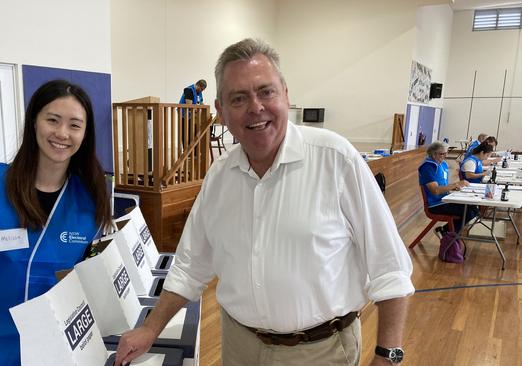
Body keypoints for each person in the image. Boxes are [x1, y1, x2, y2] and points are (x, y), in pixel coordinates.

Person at [116, 38, 414, 366]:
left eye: (266, 91)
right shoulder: (219, 176)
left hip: (320, 352)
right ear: (221, 112)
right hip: (239, 345)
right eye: (239, 98)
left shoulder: (336, 160)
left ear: (286, 94)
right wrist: (151, 328)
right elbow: (191, 265)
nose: (255, 107)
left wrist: (388, 357)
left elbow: (390, 268)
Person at [0, 79, 112, 365]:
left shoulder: (90, 199)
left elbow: (87, 282)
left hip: (57, 346)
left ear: (85, 133)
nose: (62, 133)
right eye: (53, 120)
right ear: (34, 121)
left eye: (74, 124)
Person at [419, 141, 478, 236]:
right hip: (436, 205)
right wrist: (455, 184)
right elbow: (435, 190)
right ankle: (448, 234)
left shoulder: (443, 164)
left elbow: (444, 185)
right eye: (442, 154)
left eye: (446, 153)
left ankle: (446, 231)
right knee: (469, 212)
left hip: (445, 199)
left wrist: (455, 187)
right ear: (433, 154)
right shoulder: (428, 167)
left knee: (473, 208)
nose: (445, 156)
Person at [179, 79, 207, 150]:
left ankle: (194, 151)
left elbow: (200, 103)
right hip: (184, 115)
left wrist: (205, 108)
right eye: (201, 89)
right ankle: (186, 151)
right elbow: (189, 106)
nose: (201, 91)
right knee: (186, 133)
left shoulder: (199, 92)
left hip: (193, 116)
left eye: (203, 90)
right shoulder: (189, 90)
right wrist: (197, 110)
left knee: (193, 133)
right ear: (198, 85)